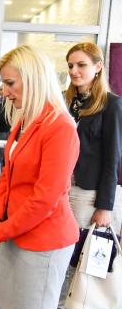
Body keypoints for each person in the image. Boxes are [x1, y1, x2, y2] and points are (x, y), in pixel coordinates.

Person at [0, 45, 80, 309]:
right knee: (11, 307)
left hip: (43, 241)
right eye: (3, 83)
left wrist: (0, 231)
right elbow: (7, 174)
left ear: (33, 78)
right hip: (16, 231)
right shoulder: (25, 119)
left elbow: (45, 199)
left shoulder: (60, 127)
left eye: (10, 83)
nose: (4, 91)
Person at [65, 42, 122, 234]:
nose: (74, 71)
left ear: (98, 67)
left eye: (81, 65)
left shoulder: (111, 104)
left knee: (78, 255)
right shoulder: (65, 101)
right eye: (70, 65)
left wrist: (105, 207)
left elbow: (112, 160)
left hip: (87, 193)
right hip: (58, 188)